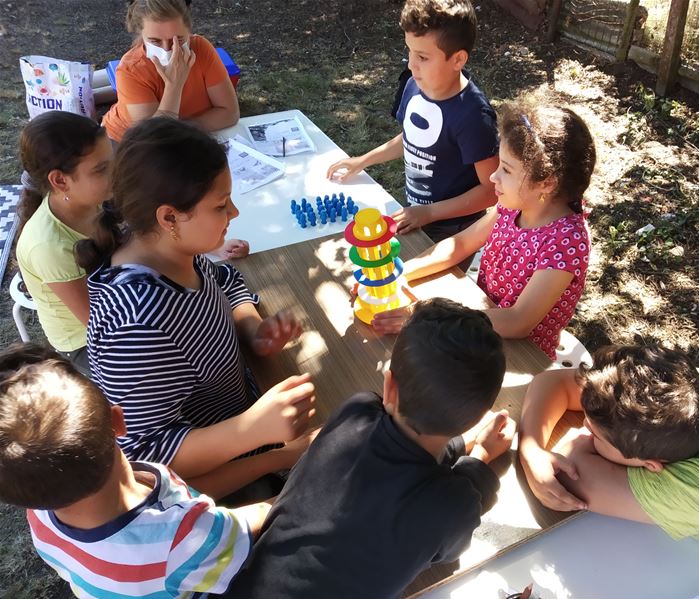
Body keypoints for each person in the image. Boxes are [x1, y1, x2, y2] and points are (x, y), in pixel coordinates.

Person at [76, 118, 315, 499]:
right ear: (169, 217)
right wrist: (262, 441)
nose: (234, 213)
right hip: (217, 488)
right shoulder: (137, 327)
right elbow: (147, 464)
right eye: (221, 205)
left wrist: (252, 330)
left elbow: (225, 282)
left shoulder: (174, 252)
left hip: (250, 425)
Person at [224, 299, 516, 599]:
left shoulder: (357, 411)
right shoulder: (454, 506)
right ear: (480, 415)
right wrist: (479, 456)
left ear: (389, 387)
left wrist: (461, 446)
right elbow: (448, 544)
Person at [518, 344, 699, 597]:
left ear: (652, 466)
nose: (583, 430)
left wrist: (575, 448)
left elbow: (570, 476)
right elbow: (553, 383)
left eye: (595, 436)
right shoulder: (684, 391)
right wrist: (531, 448)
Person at [0, 343, 268, 598]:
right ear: (118, 421)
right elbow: (255, 520)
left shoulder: (39, 511)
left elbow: (186, 498)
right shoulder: (175, 540)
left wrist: (279, 457)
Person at [371, 99, 596, 363]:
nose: (493, 177)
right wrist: (397, 275)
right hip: (479, 323)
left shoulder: (565, 242)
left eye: (507, 170)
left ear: (546, 182)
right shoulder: (514, 205)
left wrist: (431, 318)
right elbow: (460, 245)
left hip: (520, 356)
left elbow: (518, 321)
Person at [327, 0, 499, 270]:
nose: (411, 64)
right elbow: (410, 139)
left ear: (458, 59)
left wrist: (429, 212)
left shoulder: (474, 117)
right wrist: (362, 160)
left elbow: (491, 192)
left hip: (453, 231)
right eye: (409, 52)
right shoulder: (414, 85)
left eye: (423, 57)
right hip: (416, 213)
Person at [102, 0, 247, 261]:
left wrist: (181, 133)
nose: (170, 50)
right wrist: (175, 84)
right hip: (126, 146)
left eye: (179, 39)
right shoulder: (131, 70)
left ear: (190, 32)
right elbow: (154, 142)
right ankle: (198, 245)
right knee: (153, 206)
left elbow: (229, 112)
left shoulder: (201, 49)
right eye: (156, 41)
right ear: (141, 37)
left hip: (177, 141)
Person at [16, 112, 113, 376]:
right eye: (101, 169)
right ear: (60, 180)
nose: (116, 173)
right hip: (86, 343)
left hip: (118, 299)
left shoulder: (95, 196)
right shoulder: (49, 246)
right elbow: (98, 326)